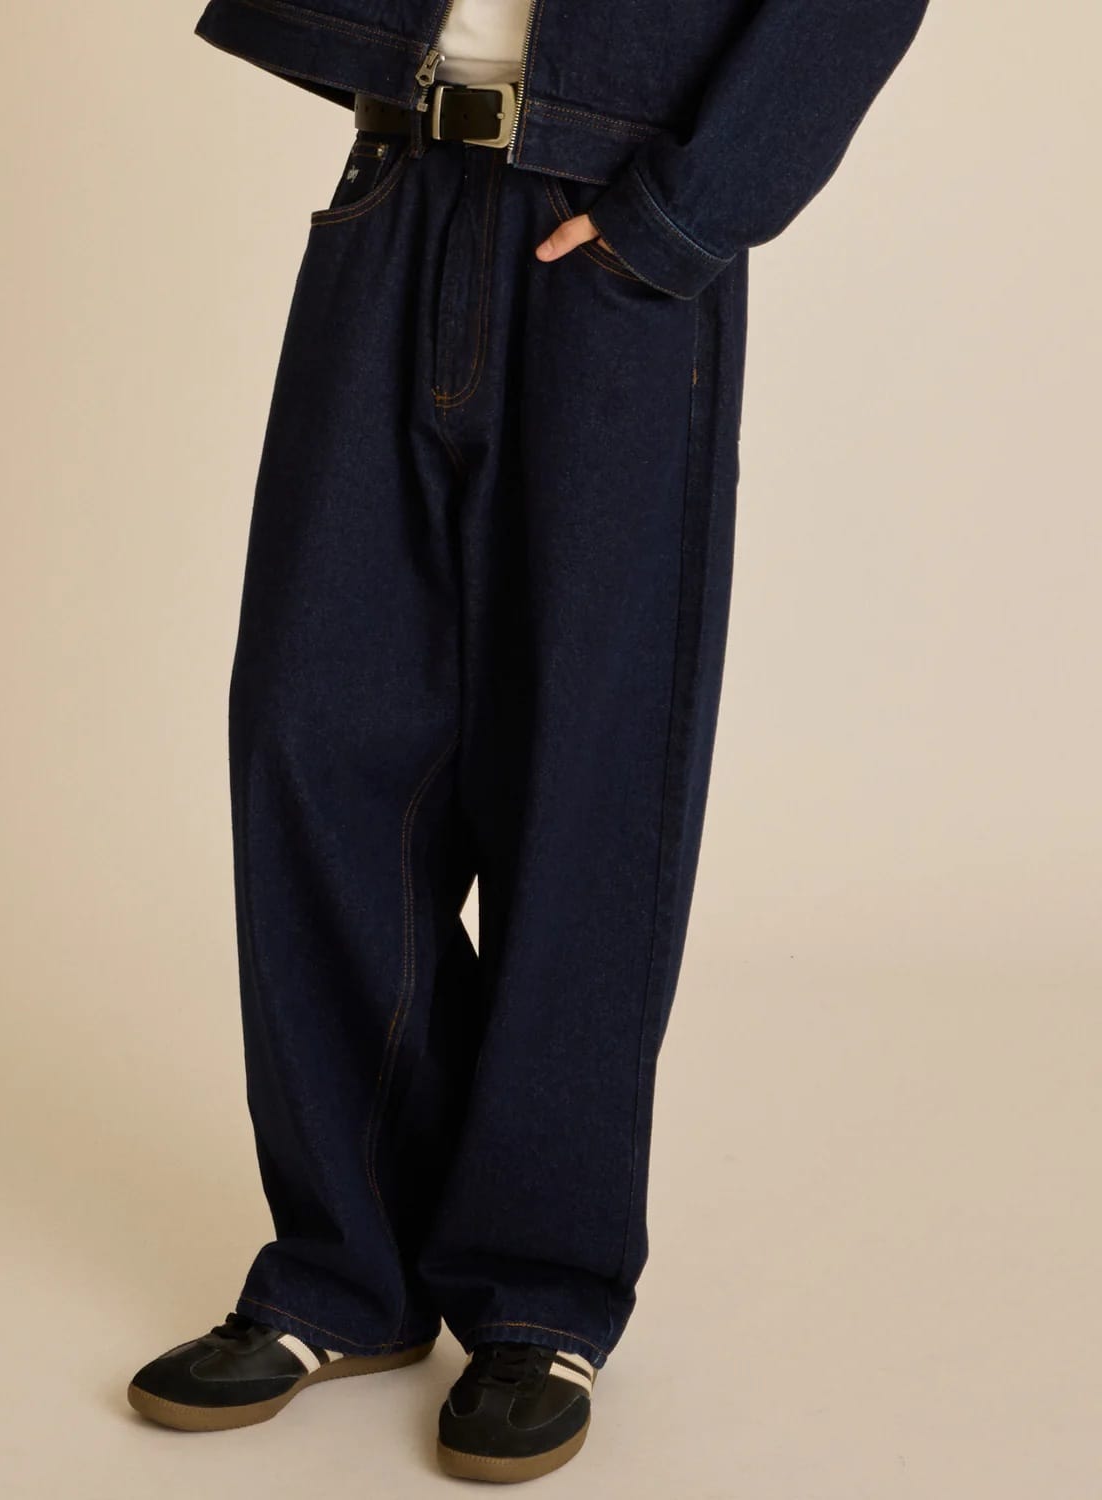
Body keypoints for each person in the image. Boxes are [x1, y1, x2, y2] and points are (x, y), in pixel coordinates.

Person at [126, 0, 930, 1482]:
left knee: (585, 777)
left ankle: (538, 1293)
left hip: (614, 217)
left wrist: (691, 214)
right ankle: (346, 1269)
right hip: (398, 175)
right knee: (311, 737)